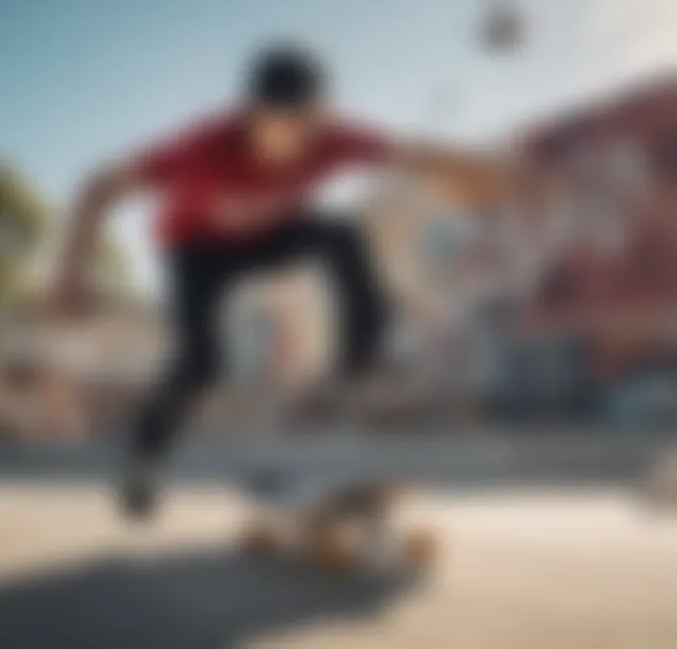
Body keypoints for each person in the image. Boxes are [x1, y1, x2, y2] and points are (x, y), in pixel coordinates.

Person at [51, 42, 511, 518]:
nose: (290, 142)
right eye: (277, 125)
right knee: (201, 360)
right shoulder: (202, 144)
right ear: (250, 113)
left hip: (268, 237)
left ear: (320, 118)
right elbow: (99, 186)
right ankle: (144, 460)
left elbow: (415, 152)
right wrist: (69, 272)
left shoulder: (335, 138)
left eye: (304, 127)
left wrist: (488, 168)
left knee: (342, 234)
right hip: (195, 249)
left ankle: (361, 362)